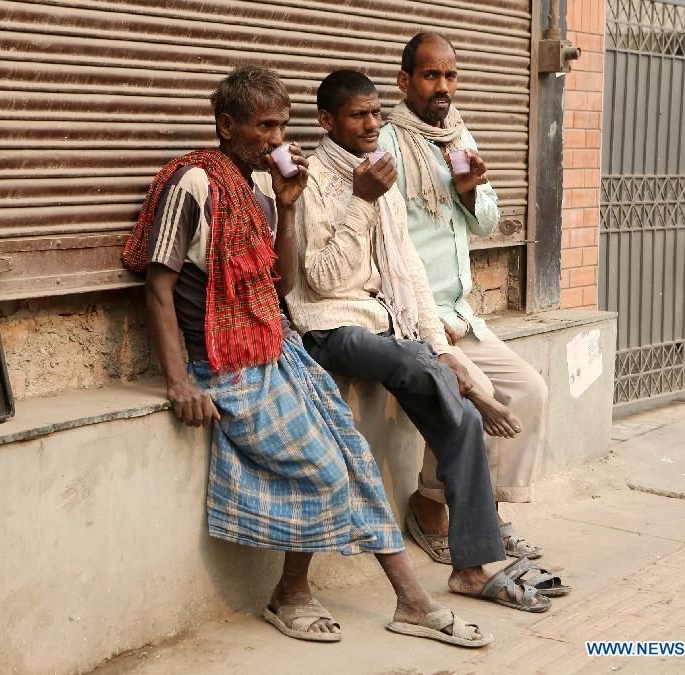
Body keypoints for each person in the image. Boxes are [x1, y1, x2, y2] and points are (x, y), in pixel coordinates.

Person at [121, 65, 496, 648]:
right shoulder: (191, 183)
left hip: (275, 347)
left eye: (280, 126)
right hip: (223, 364)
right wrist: (179, 384)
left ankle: (412, 604)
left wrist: (290, 208)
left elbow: (283, 283)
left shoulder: (264, 190)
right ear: (226, 125)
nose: (276, 140)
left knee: (354, 456)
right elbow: (158, 286)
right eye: (264, 127)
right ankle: (291, 593)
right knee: (324, 467)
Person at [287, 68, 549, 613]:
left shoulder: (378, 180)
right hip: (330, 326)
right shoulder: (311, 181)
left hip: (385, 324)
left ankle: (472, 566)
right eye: (358, 115)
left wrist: (446, 349)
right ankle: (466, 391)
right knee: (440, 379)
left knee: (460, 412)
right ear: (325, 119)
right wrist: (359, 202)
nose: (371, 124)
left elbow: (412, 277)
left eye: (376, 114)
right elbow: (322, 281)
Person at [378, 33, 550, 564]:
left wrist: (472, 189)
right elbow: (380, 238)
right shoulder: (384, 144)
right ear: (404, 81)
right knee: (469, 402)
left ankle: (485, 514)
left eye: (451, 76)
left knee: (529, 392)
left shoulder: (458, 135)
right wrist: (428, 323)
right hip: (411, 316)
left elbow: (490, 221)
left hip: (460, 314)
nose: (443, 87)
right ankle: (433, 513)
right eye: (431, 75)